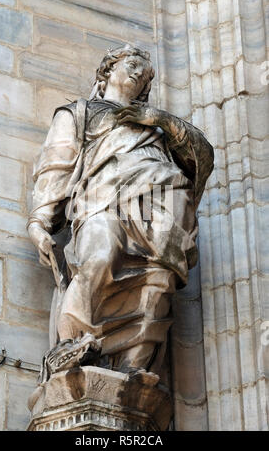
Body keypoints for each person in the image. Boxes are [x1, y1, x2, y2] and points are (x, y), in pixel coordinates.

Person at [27, 45, 214, 383]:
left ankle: (134, 365)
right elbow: (56, 165)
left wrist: (160, 120)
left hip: (161, 205)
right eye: (131, 65)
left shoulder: (158, 128)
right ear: (108, 70)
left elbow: (201, 156)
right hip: (101, 202)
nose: (136, 74)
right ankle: (73, 345)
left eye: (143, 73)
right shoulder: (80, 113)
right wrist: (39, 220)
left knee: (160, 276)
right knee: (98, 256)